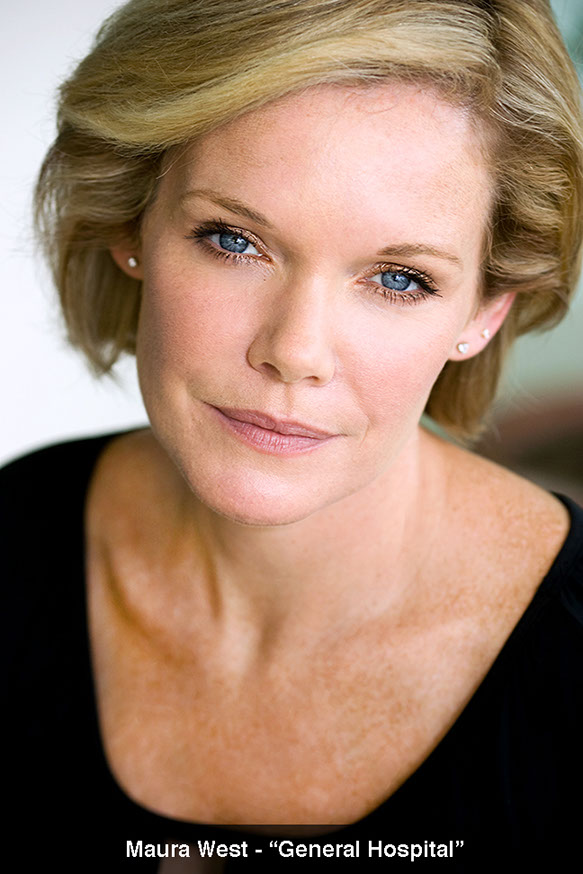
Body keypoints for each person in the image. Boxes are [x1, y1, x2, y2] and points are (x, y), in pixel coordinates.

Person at [4, 0, 582, 871]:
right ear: (131, 224)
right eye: (233, 240)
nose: (295, 351)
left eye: (398, 278)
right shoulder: (13, 537)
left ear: (485, 311)